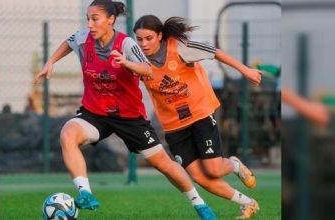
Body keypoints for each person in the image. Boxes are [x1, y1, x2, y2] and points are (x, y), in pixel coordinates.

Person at [35, 1, 216, 219]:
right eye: (88, 18)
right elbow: (69, 42)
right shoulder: (83, 38)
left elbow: (148, 70)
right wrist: (51, 62)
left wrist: (127, 64)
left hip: (129, 117)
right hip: (95, 113)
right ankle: (85, 193)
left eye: (95, 18)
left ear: (110, 20)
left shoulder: (127, 44)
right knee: (68, 133)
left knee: (164, 164)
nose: (90, 24)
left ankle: (200, 204)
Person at [133, 15, 262, 219]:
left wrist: (245, 70)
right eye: (139, 39)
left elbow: (214, 52)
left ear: (160, 35)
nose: (143, 44)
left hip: (199, 114)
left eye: (148, 38)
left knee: (214, 169)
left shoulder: (181, 48)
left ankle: (234, 164)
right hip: (173, 126)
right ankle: (248, 203)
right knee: (199, 177)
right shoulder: (136, 58)